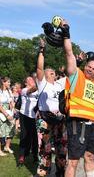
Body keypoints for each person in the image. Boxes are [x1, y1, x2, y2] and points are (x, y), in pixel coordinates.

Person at [61, 19, 94, 177]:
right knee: (73, 161)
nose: (90, 69)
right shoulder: (77, 75)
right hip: (76, 122)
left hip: (93, 125)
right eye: (88, 66)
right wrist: (66, 33)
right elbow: (69, 54)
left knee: (90, 156)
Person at [36, 39, 67, 177]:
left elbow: (71, 76)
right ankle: (44, 171)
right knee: (45, 148)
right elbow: (39, 68)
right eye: (51, 72)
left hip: (60, 120)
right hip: (46, 119)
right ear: (46, 74)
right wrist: (42, 50)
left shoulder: (59, 85)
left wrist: (78, 61)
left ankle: (60, 172)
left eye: (54, 72)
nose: (53, 73)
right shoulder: (43, 84)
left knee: (62, 148)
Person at [18, 76, 39, 165]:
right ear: (26, 83)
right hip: (25, 115)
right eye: (29, 79)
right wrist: (39, 82)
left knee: (35, 137)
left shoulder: (38, 90)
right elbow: (32, 90)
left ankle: (35, 155)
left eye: (32, 79)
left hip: (34, 116)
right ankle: (22, 155)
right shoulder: (24, 90)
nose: (32, 80)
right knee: (24, 135)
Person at [0, 77, 15, 156]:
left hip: (9, 111)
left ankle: (7, 146)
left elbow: (11, 101)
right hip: (2, 112)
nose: (9, 84)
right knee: (1, 131)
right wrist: (6, 114)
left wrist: (13, 109)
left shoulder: (9, 91)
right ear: (3, 82)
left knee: (11, 129)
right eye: (8, 82)